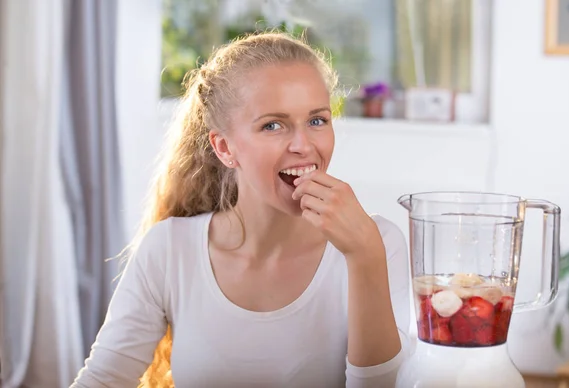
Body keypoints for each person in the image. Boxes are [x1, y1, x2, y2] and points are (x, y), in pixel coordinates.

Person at [71, 31, 410, 388]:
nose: (303, 145)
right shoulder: (170, 249)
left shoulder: (379, 243)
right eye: (273, 125)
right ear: (224, 147)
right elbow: (102, 380)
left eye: (317, 120)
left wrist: (365, 256)